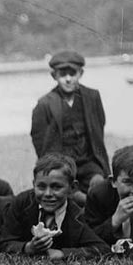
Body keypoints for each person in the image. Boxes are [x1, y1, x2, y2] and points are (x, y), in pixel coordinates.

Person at [31, 50, 110, 205]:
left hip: (89, 163)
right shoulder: (45, 104)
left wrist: (99, 165)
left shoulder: (92, 97)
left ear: (80, 73)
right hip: (62, 165)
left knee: (100, 185)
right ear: (54, 76)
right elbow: (39, 141)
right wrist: (52, 168)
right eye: (62, 74)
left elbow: (99, 128)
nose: (68, 79)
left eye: (72, 74)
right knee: (75, 197)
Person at [0, 153, 109, 260]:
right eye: (41, 187)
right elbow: (4, 242)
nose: (48, 194)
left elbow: (101, 249)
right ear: (33, 184)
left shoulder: (77, 216)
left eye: (56, 187)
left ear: (72, 188)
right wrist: (28, 247)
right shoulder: (22, 203)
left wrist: (62, 253)